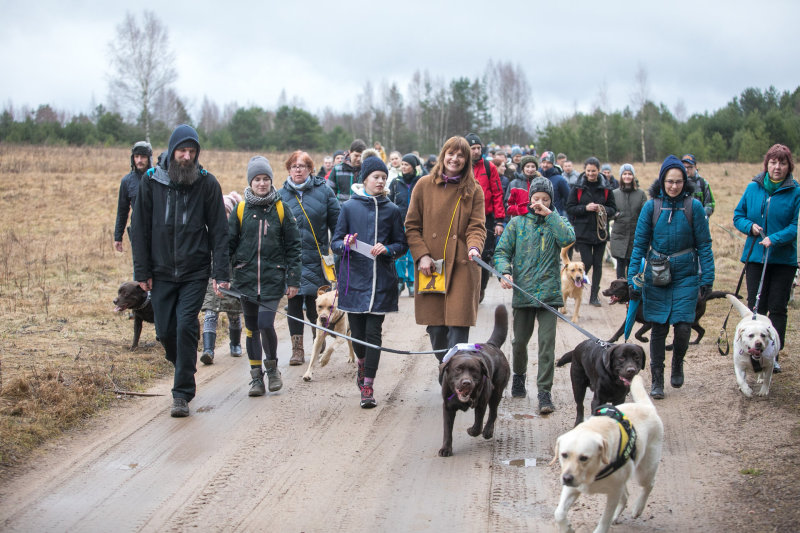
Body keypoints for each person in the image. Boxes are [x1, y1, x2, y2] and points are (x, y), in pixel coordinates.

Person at [131, 124, 230, 418]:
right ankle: (184, 364)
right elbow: (139, 230)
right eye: (181, 150)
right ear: (172, 151)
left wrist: (220, 272)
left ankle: (182, 393)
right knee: (164, 332)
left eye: (192, 151)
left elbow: (220, 232)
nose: (186, 156)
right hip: (160, 272)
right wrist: (142, 271)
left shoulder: (207, 183)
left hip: (194, 271)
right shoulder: (151, 182)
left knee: (186, 324)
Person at [629, 155, 714, 399]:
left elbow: (705, 245)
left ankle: (677, 361)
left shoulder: (694, 207)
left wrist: (707, 277)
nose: (674, 186)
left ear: (684, 181)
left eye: (678, 181)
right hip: (657, 273)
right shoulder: (651, 207)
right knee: (658, 327)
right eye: (669, 181)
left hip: (687, 274)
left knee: (684, 325)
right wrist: (634, 276)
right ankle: (657, 378)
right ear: (662, 181)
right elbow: (639, 245)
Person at [331, 154, 408, 408]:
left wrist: (387, 249)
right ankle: (361, 366)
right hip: (354, 281)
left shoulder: (392, 210)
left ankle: (368, 386)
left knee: (374, 334)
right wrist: (346, 244)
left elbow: (402, 244)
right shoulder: (349, 208)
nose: (380, 181)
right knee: (358, 334)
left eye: (384, 177)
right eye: (376, 177)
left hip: (381, 283)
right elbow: (335, 242)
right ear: (365, 179)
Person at [495, 177, 575, 413]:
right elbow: (501, 252)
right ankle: (518, 377)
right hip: (523, 293)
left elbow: (568, 239)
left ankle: (544, 393)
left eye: (545, 199)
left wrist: (551, 215)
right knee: (519, 342)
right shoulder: (517, 223)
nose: (540, 203)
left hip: (549, 295)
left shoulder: (557, 222)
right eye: (536, 199)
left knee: (547, 345)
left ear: (551, 201)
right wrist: (505, 272)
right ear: (529, 199)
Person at [405, 136, 486, 357]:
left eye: (461, 155)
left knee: (458, 327)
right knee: (436, 328)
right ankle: (446, 367)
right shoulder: (423, 185)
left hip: (462, 264)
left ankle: (454, 381)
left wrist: (474, 248)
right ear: (443, 155)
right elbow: (411, 226)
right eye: (451, 153)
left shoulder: (474, 190)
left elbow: (477, 227)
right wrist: (421, 255)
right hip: (431, 265)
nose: (455, 158)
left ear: (467, 160)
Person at [229, 156, 302, 397]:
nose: (262, 184)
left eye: (266, 179)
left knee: (265, 323)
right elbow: (227, 245)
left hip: (272, 279)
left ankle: (272, 370)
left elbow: (294, 246)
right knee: (251, 328)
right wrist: (222, 275)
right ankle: (256, 377)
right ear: (250, 182)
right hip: (246, 280)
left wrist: (293, 280)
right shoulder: (240, 210)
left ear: (272, 181)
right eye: (257, 179)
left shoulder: (282, 208)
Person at [733, 144, 800, 373]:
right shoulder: (753, 188)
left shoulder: (795, 191)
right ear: (767, 164)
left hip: (783, 260)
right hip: (756, 257)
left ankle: (773, 355)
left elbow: (794, 227)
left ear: (788, 166)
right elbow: (738, 216)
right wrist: (749, 226)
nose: (777, 167)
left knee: (777, 308)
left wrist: (775, 238)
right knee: (756, 307)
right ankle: (752, 352)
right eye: (773, 162)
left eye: (782, 163)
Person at [279, 150, 341, 366]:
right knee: (294, 302)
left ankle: (319, 338)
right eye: (294, 166)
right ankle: (297, 350)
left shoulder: (324, 192)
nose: (298, 170)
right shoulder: (280, 195)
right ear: (288, 169)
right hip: (292, 259)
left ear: (310, 170)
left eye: (303, 166)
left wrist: (339, 251)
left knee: (314, 302)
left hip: (317, 259)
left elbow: (337, 224)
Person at [566, 157, 617, 307]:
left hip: (600, 231)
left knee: (598, 264)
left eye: (593, 171)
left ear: (598, 170)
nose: (591, 174)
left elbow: (613, 209)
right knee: (586, 262)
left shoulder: (606, 189)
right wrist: (585, 208)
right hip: (583, 232)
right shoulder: (577, 188)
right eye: (588, 171)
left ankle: (594, 296)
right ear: (585, 170)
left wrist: (602, 209)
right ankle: (576, 285)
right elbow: (570, 208)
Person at [200, 191, 244, 365]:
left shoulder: (238, 232)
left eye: (227, 212)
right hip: (212, 277)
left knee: (234, 313)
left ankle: (235, 344)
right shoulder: (208, 232)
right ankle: (208, 349)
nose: (224, 215)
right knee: (211, 312)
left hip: (233, 278)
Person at [465, 133, 506, 303]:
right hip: (464, 218)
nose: (476, 151)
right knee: (465, 254)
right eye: (472, 148)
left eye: (478, 148)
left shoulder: (490, 168)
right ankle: (467, 289)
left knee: (485, 255)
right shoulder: (461, 167)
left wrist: (499, 221)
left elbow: (497, 194)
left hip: (486, 218)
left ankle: (480, 288)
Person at [388, 153, 423, 295]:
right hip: (399, 222)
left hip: (416, 224)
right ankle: (400, 280)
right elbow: (389, 202)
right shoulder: (395, 182)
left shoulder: (421, 182)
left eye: (406, 165)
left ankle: (412, 282)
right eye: (402, 164)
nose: (403, 167)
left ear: (413, 167)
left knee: (413, 253)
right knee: (400, 254)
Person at [114, 141, 152, 253]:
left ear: (149, 158)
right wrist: (118, 236)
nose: (139, 160)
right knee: (140, 268)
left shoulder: (158, 177)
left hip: (158, 232)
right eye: (137, 157)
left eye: (143, 157)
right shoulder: (127, 181)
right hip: (138, 232)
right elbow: (122, 211)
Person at [610, 164, 647, 279]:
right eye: (625, 174)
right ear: (621, 176)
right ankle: (620, 293)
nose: (627, 176)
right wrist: (615, 215)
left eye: (629, 174)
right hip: (619, 235)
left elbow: (646, 213)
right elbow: (608, 212)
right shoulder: (614, 193)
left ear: (633, 176)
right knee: (620, 266)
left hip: (635, 235)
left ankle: (632, 292)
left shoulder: (640, 194)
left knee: (633, 267)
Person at [538, 151, 571, 216]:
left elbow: (568, 198)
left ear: (553, 164)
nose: (545, 165)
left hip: (555, 215)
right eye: (543, 162)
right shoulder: (537, 176)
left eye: (548, 163)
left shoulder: (560, 180)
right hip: (539, 215)